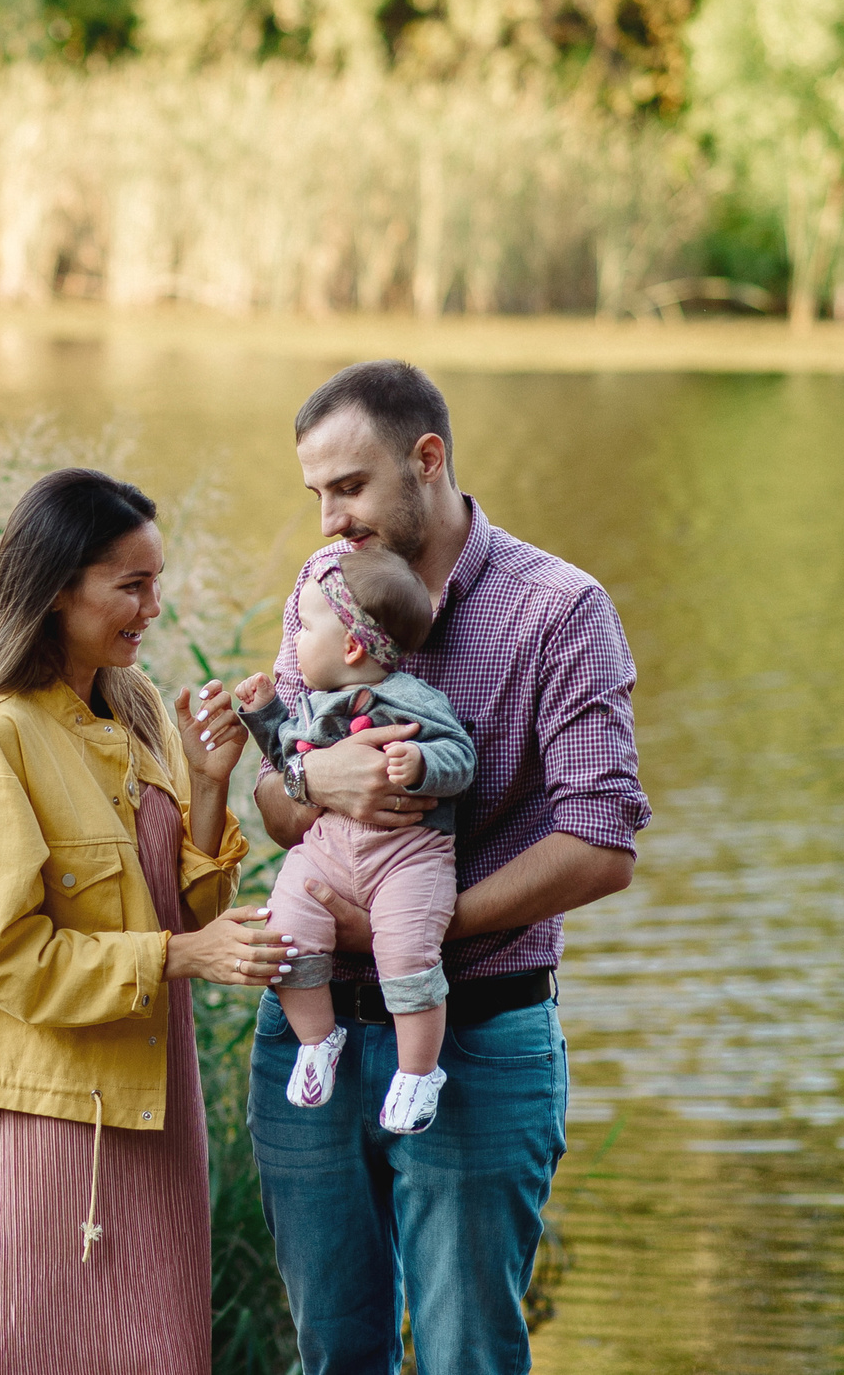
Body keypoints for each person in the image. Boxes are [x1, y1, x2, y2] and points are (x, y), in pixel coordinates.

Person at [244, 360, 648, 1375]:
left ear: (428, 459)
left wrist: (407, 931)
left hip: (479, 1034)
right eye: (316, 495)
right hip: (312, 1031)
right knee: (331, 1353)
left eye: (348, 486)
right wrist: (319, 782)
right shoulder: (323, 585)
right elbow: (277, 804)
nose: (329, 519)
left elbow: (599, 844)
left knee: (468, 1352)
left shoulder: (558, 608)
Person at [0, 468, 289, 1375]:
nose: (153, 606)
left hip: (151, 1111)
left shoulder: (131, 714)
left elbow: (183, 911)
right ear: (60, 587)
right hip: (47, 1124)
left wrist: (209, 782)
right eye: (130, 585)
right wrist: (183, 954)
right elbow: (13, 961)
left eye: (157, 580)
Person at [233, 547, 475, 1133]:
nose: (293, 639)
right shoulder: (314, 706)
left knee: (407, 954)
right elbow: (289, 754)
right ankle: (318, 1040)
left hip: (406, 857)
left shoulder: (413, 699)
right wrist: (264, 714)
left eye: (305, 627)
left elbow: (461, 757)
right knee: (286, 935)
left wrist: (419, 761)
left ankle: (418, 1072)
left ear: (351, 648)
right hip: (329, 852)